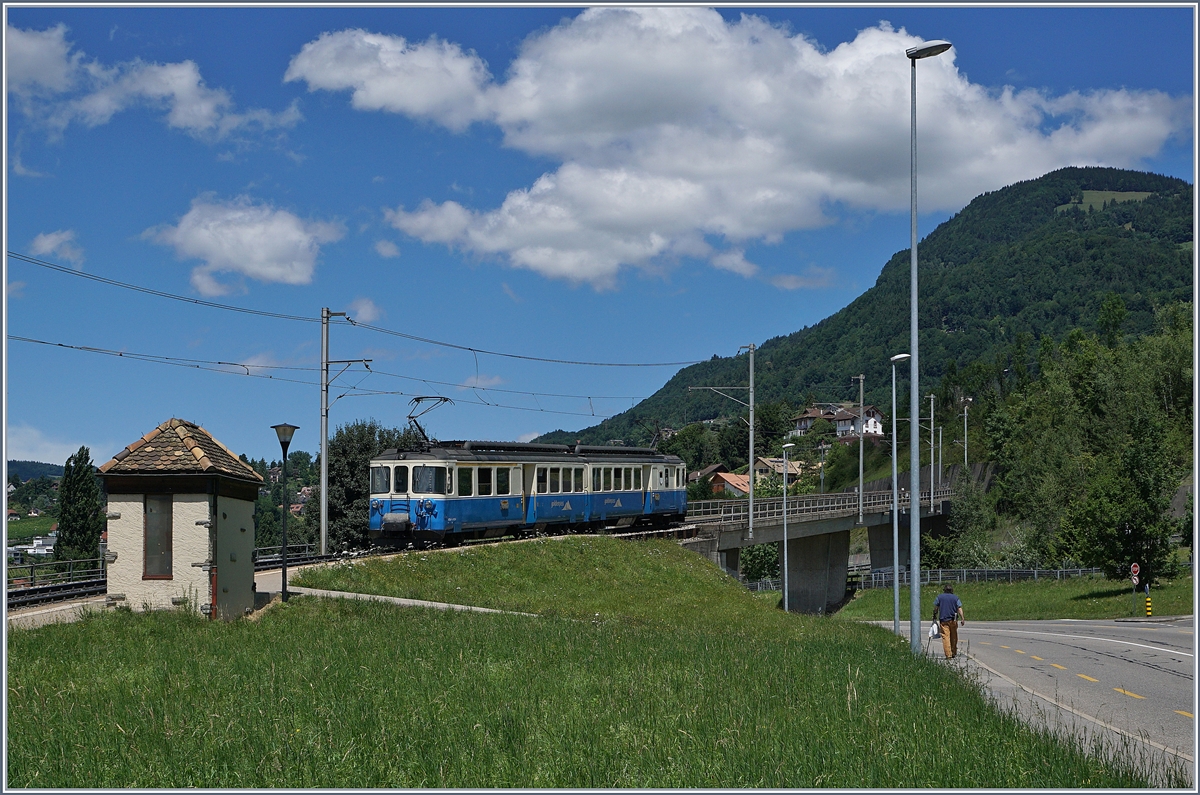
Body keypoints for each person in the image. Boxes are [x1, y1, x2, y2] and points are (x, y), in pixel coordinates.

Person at [932, 584, 965, 658]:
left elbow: (936, 608)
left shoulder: (939, 597)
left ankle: (948, 654)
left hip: (943, 620)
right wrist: (962, 618)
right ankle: (953, 652)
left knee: (945, 637)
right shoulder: (955, 598)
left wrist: (934, 616)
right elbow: (959, 608)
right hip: (953, 620)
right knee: (954, 636)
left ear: (944, 590)